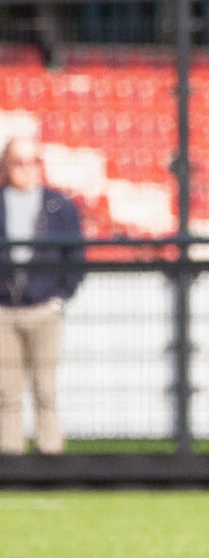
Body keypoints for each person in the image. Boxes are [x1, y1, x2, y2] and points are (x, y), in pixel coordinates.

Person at [0, 137, 84, 457]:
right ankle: (10, 455)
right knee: (6, 390)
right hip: (4, 310)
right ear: (6, 166)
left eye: (32, 162)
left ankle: (50, 454)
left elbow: (75, 257)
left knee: (45, 388)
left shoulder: (59, 206)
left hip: (44, 310)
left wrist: (60, 297)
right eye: (18, 162)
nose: (26, 170)